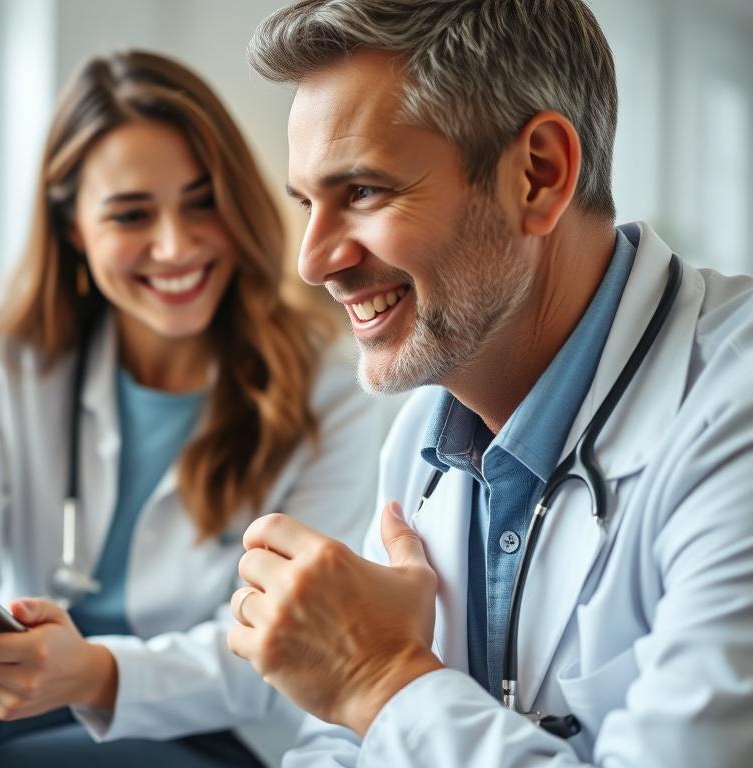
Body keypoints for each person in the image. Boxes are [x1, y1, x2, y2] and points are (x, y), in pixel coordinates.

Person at [0, 50, 382, 768]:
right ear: (74, 228)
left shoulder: (332, 377)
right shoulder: (13, 355)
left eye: (202, 201)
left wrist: (96, 673)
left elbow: (288, 649)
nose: (175, 245)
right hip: (16, 678)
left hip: (216, 724)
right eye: (132, 214)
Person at [227, 1, 753, 766]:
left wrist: (380, 678)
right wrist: (367, 695)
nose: (313, 262)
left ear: (538, 176)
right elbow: (340, 749)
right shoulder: (428, 429)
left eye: (365, 193)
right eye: (308, 204)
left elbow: (373, 707)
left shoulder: (733, 415)